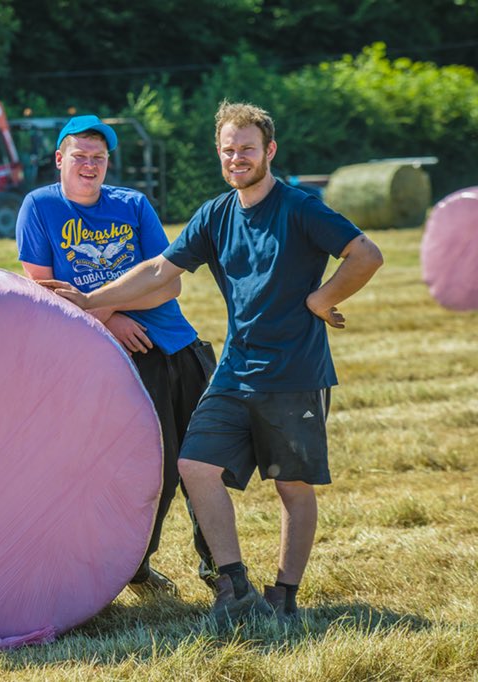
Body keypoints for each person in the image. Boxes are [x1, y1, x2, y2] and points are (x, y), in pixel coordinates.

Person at [45, 102, 384, 627]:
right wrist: (91, 302)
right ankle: (234, 586)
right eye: (228, 150)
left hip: (295, 372)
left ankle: (285, 595)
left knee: (291, 488)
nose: (236, 158)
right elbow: (160, 268)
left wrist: (321, 299)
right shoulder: (215, 214)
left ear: (269, 150)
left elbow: (365, 254)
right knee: (194, 464)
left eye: (247, 148)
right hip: (235, 368)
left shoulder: (300, 208)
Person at [16, 115, 218, 598]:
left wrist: (104, 306)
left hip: (177, 342)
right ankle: (132, 566)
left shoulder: (133, 205)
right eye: (80, 156)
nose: (90, 166)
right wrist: (111, 322)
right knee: (155, 469)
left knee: (207, 460)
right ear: (59, 159)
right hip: (115, 355)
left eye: (99, 158)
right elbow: (44, 292)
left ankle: (219, 567)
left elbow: (169, 280)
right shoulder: (39, 207)